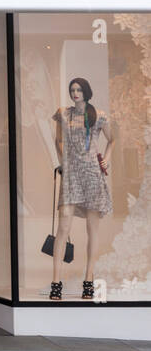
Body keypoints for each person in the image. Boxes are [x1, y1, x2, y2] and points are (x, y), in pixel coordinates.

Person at [50, 77, 117, 301]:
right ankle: (55, 281)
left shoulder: (98, 115)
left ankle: (89, 279)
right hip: (71, 176)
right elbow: (58, 140)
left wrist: (106, 160)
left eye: (78, 89)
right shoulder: (63, 114)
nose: (75, 93)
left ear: (86, 91)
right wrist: (63, 162)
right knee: (63, 226)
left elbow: (113, 139)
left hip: (91, 175)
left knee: (92, 229)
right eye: (72, 89)